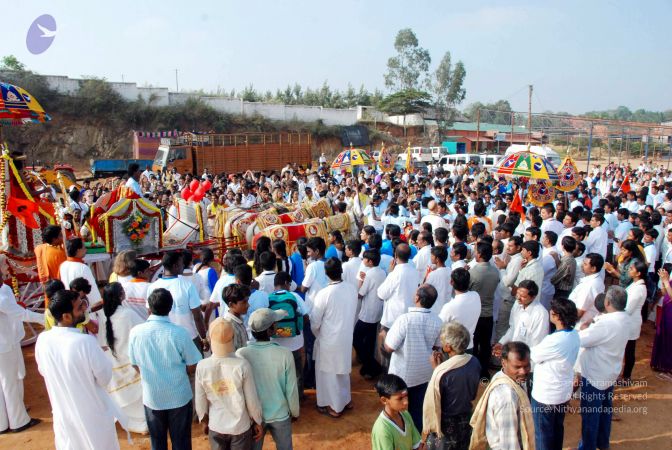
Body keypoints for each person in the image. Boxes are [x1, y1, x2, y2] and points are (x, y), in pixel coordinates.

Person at [35, 290, 123, 450]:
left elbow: (43, 370)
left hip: (64, 413)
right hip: (92, 414)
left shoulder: (42, 340)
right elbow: (105, 377)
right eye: (79, 307)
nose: (84, 309)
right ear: (66, 316)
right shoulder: (85, 342)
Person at [129, 288, 203, 450]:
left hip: (152, 398)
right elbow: (193, 365)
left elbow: (134, 363)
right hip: (179, 397)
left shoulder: (135, 333)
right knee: (181, 442)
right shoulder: (180, 333)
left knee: (157, 442)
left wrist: (151, 372)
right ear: (170, 308)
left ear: (149, 307)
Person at [195, 318, 263, 450]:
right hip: (240, 427)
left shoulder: (202, 366)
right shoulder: (242, 365)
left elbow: (200, 399)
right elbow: (252, 400)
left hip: (216, 425)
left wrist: (203, 420)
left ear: (210, 338)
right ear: (232, 337)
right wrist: (257, 421)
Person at [576, 286, 630, 450]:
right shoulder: (625, 318)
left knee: (591, 415)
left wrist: (583, 329)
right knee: (605, 412)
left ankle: (588, 447)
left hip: (595, 376)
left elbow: (581, 340)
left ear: (607, 303)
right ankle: (602, 443)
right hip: (609, 373)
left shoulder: (606, 324)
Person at [237, 308, 299, 450]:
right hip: (280, 414)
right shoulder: (285, 353)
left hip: (254, 418)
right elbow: (291, 388)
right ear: (272, 330)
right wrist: (294, 411)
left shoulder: (241, 353)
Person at [385, 284, 443, 431]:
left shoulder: (405, 320)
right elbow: (437, 347)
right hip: (424, 374)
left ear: (417, 298)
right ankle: (415, 440)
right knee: (417, 410)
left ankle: (400, 437)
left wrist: (383, 337)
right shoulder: (437, 321)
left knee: (396, 409)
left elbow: (389, 347)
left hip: (402, 375)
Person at [0, 254, 43, 433]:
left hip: (7, 340)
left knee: (6, 381)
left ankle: (4, 421)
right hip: (5, 343)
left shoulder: (3, 290)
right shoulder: (2, 295)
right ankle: (18, 421)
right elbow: (21, 314)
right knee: (10, 382)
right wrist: (45, 318)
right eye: (3, 265)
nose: (7, 268)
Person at [530, 299, 581, 450]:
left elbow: (535, 355)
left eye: (552, 310)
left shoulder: (554, 340)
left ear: (557, 316)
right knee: (557, 429)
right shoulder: (574, 334)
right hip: (562, 392)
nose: (550, 312)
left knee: (542, 434)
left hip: (546, 394)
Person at [422, 321, 481, 450]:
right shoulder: (474, 361)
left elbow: (436, 399)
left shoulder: (442, 372)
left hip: (446, 424)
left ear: (448, 347)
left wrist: (436, 369)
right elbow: (471, 393)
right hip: (465, 418)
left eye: (443, 342)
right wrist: (441, 367)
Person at [312, 258, 358, 418]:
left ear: (326, 273)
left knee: (329, 374)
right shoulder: (351, 289)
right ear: (341, 271)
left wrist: (318, 335)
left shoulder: (324, 294)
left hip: (329, 339)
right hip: (345, 336)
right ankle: (346, 400)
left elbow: (315, 322)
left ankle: (336, 406)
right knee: (342, 370)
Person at [99, 282, 148, 434]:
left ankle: (129, 422)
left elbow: (102, 343)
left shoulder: (103, 316)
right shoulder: (128, 314)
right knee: (138, 394)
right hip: (129, 362)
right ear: (121, 295)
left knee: (122, 396)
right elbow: (143, 331)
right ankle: (140, 424)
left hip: (114, 363)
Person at [469, 342, 535, 450]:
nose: (523, 371)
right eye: (517, 367)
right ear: (504, 363)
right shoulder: (507, 397)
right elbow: (509, 443)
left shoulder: (505, 376)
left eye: (526, 365)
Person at [146, 251, 208, 353]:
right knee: (195, 367)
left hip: (163, 338)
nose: (183, 265)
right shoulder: (187, 286)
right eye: (181, 263)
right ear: (175, 266)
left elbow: (150, 314)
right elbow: (197, 316)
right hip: (189, 337)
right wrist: (204, 338)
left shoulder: (152, 287)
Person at [270, 272, 308, 401]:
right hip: (295, 342)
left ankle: (282, 398)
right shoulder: (295, 296)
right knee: (297, 371)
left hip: (276, 343)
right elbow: (306, 316)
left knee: (280, 373)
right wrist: (298, 328)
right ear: (286, 283)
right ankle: (298, 397)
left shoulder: (268, 298)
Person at [469, 242, 501, 378]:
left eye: (476, 251)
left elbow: (467, 288)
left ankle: (475, 370)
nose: (474, 253)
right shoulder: (495, 271)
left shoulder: (474, 272)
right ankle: (484, 370)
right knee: (485, 344)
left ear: (480, 254)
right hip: (488, 314)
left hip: (476, 314)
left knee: (475, 344)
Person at [493, 280, 549, 356]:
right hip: (514, 353)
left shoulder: (540, 314)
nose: (518, 298)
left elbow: (536, 344)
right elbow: (513, 328)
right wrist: (502, 343)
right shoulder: (517, 304)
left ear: (533, 297)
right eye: (517, 294)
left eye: (523, 296)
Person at [354, 249, 386, 379]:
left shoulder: (370, 274)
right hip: (377, 311)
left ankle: (371, 365)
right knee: (369, 341)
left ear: (370, 261)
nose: (363, 261)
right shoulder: (382, 272)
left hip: (368, 313)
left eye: (365, 259)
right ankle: (369, 367)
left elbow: (361, 294)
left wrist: (361, 281)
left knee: (356, 338)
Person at [371, 374, 421, 450]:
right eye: (400, 398)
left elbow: (417, 444)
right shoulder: (382, 431)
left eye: (406, 396)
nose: (406, 402)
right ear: (384, 400)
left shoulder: (405, 414)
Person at [439, 268, 481, 353]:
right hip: (469, 346)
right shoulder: (476, 296)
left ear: (451, 282)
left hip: (453, 349)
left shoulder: (450, 306)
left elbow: (439, 328)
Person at [622, 260, 648, 382]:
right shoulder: (636, 284)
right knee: (628, 350)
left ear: (638, 273)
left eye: (631, 268)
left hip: (631, 322)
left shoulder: (639, 288)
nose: (629, 270)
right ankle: (626, 376)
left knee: (629, 351)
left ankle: (626, 377)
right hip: (629, 321)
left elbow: (628, 309)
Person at [58, 237, 102, 307]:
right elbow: (93, 293)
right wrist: (101, 313)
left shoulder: (63, 265)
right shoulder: (83, 268)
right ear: (78, 250)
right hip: (84, 307)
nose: (86, 249)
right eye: (84, 247)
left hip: (70, 305)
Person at [569, 253, 605, 328]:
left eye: (585, 264)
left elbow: (580, 311)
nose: (582, 265)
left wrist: (568, 323)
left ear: (593, 268)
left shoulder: (590, 285)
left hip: (580, 324)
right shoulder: (596, 280)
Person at [652, 263, 672, 373]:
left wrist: (665, 281)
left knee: (669, 338)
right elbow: (665, 293)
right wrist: (665, 281)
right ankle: (659, 363)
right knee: (662, 335)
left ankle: (668, 365)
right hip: (667, 310)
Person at [222, 283, 252, 351]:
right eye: (244, 302)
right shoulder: (230, 325)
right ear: (231, 304)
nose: (248, 305)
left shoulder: (239, 319)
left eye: (247, 301)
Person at [425, 245, 452, 315]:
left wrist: (427, 274)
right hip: (447, 306)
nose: (430, 257)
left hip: (435, 308)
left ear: (437, 259)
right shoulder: (450, 271)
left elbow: (425, 288)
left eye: (432, 256)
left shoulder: (433, 274)